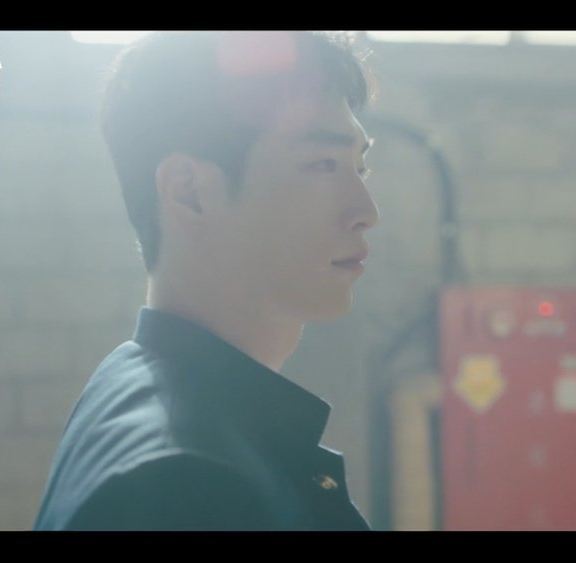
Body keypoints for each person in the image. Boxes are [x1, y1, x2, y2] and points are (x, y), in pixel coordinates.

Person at [33, 30, 379, 531]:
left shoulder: (132, 380)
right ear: (189, 192)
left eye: (360, 167)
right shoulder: (185, 483)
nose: (365, 212)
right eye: (323, 164)